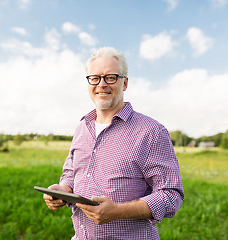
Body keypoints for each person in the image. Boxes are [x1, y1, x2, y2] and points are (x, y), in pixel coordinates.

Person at [43, 47, 184, 239]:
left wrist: (117, 211)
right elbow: (69, 174)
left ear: (124, 83)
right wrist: (62, 190)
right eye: (95, 78)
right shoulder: (82, 127)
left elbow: (170, 195)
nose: (102, 84)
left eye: (110, 77)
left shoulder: (151, 131)